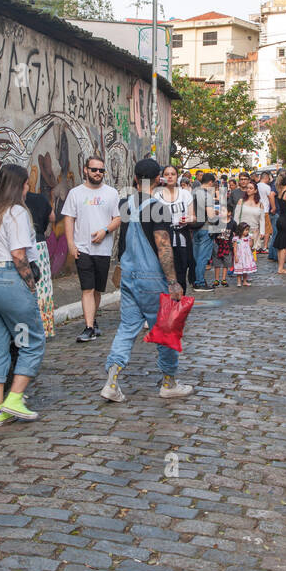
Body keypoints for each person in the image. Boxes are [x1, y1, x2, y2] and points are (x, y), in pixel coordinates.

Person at [101, 158, 194, 402]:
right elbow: (164, 247)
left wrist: (120, 266)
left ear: (134, 178)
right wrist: (173, 281)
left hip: (131, 275)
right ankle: (169, 382)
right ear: (158, 180)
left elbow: (124, 239)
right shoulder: (157, 207)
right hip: (152, 277)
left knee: (127, 328)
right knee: (166, 329)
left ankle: (111, 381)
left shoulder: (126, 204)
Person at [0, 163, 46, 427]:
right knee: (31, 340)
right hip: (9, 283)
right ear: (19, 185)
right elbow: (18, 254)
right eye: (26, 184)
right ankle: (14, 398)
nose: (28, 188)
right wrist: (31, 285)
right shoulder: (16, 212)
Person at [61, 155, 121, 343]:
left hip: (103, 250)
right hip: (83, 248)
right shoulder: (75, 193)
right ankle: (88, 327)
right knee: (87, 288)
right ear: (85, 170)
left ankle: (92, 320)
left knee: (96, 290)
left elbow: (117, 218)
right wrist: (71, 244)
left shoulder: (111, 193)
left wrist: (105, 231)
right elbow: (69, 218)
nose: (97, 173)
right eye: (94, 169)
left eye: (101, 170)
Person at [24, 178, 56, 339]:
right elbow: (52, 217)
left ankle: (28, 328)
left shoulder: (13, 203)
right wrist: (46, 229)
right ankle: (45, 326)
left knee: (27, 287)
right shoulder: (40, 199)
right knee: (43, 286)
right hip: (40, 243)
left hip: (24, 246)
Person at [156, 164, 195, 295]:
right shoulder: (157, 196)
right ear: (162, 177)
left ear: (177, 176)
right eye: (167, 174)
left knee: (181, 270)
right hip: (164, 237)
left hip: (181, 236)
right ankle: (167, 302)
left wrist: (187, 219)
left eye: (173, 174)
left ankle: (180, 303)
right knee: (165, 270)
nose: (170, 176)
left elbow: (193, 216)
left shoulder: (185, 194)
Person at [191, 172, 217, 292]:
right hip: (206, 228)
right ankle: (199, 282)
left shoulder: (193, 192)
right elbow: (211, 216)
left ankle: (194, 279)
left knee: (196, 256)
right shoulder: (207, 195)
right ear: (210, 182)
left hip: (194, 227)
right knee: (203, 257)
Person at [206, 179, 232, 288]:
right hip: (217, 244)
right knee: (217, 263)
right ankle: (216, 279)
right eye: (221, 211)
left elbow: (235, 233)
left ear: (229, 213)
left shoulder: (232, 223)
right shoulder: (217, 220)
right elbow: (211, 230)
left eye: (224, 211)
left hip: (227, 245)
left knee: (226, 263)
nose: (222, 213)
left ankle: (224, 279)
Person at [233, 179, 267, 253]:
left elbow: (262, 219)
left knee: (251, 254)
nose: (248, 190)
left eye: (251, 188)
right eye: (247, 188)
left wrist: (262, 232)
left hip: (254, 232)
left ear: (255, 191)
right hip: (242, 232)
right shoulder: (241, 201)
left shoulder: (260, 204)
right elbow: (236, 217)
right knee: (241, 253)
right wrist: (235, 229)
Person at [232, 222, 257, 286]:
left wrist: (252, 240)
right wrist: (235, 256)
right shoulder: (236, 238)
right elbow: (235, 248)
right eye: (246, 230)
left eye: (248, 230)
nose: (247, 231)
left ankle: (245, 281)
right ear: (241, 230)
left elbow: (250, 246)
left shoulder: (248, 237)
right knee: (239, 269)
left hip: (246, 256)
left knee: (245, 269)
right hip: (239, 256)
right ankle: (239, 282)